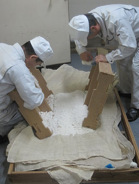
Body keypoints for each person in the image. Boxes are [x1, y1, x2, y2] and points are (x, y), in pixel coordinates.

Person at [69, 4, 139, 122]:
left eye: (88, 37)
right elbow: (77, 35)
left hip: (135, 33)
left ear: (94, 29)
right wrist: (81, 50)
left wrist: (108, 57)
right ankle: (126, 91)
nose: (88, 39)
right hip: (131, 32)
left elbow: (129, 46)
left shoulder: (116, 20)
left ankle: (136, 106)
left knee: (136, 67)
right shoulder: (85, 20)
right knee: (122, 61)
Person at [0, 36, 53, 143]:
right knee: (25, 111)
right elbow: (34, 101)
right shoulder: (19, 68)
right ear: (33, 57)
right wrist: (40, 94)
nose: (36, 66)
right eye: (37, 64)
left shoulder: (3, 46)